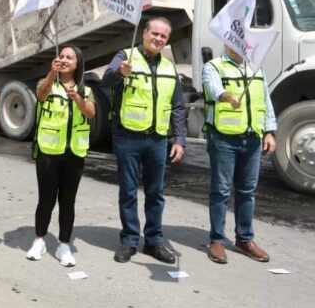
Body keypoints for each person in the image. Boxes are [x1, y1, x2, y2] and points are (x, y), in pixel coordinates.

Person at [102, 17, 186, 264]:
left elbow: (178, 106)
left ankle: (153, 241)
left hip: (157, 139)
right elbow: (107, 80)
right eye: (155, 34)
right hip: (128, 136)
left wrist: (179, 138)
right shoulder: (125, 56)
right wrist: (120, 72)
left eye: (163, 36)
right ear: (144, 34)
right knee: (128, 191)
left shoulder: (170, 68)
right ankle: (129, 240)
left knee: (155, 192)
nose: (158, 39)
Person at [202, 45, 276, 264]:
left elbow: (266, 100)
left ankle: (244, 239)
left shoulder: (256, 68)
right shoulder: (214, 66)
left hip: (252, 138)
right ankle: (217, 240)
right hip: (224, 138)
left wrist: (269, 131)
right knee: (221, 190)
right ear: (226, 43)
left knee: (247, 190)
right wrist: (227, 96)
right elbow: (213, 88)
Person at [26, 46, 95, 266]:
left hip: (74, 152)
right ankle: (39, 240)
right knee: (46, 199)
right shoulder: (48, 83)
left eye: (69, 57)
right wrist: (51, 74)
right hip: (49, 150)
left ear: (78, 63)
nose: (64, 60)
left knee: (68, 201)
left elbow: (90, 113)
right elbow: (40, 95)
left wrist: (77, 99)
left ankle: (64, 245)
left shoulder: (85, 89)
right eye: (61, 56)